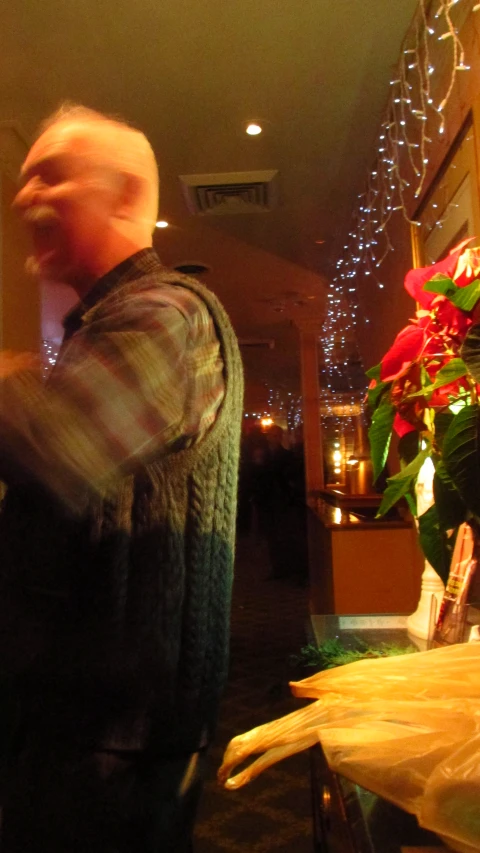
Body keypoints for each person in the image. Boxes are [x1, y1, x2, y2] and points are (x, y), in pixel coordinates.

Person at [0, 104, 243, 852]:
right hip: (92, 721)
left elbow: (57, 439)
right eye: (23, 176)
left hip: (116, 737)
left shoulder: (167, 313)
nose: (23, 196)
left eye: (53, 174)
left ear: (128, 196)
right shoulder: (112, 323)